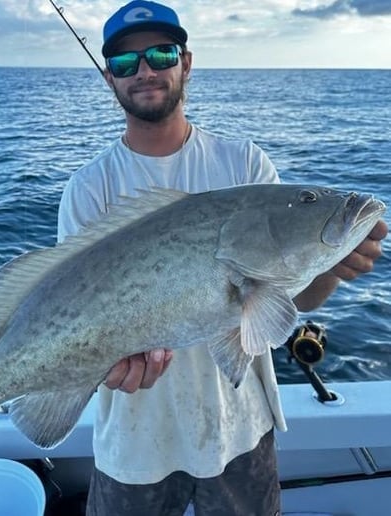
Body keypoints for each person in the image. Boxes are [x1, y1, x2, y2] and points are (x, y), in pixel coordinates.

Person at [57, 1, 388, 515]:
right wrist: (104, 367)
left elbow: (290, 297)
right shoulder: (89, 187)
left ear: (185, 62)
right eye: (125, 63)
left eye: (160, 54)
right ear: (110, 79)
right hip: (133, 442)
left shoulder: (245, 163)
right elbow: (73, 317)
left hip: (240, 430)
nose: (144, 71)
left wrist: (332, 269)